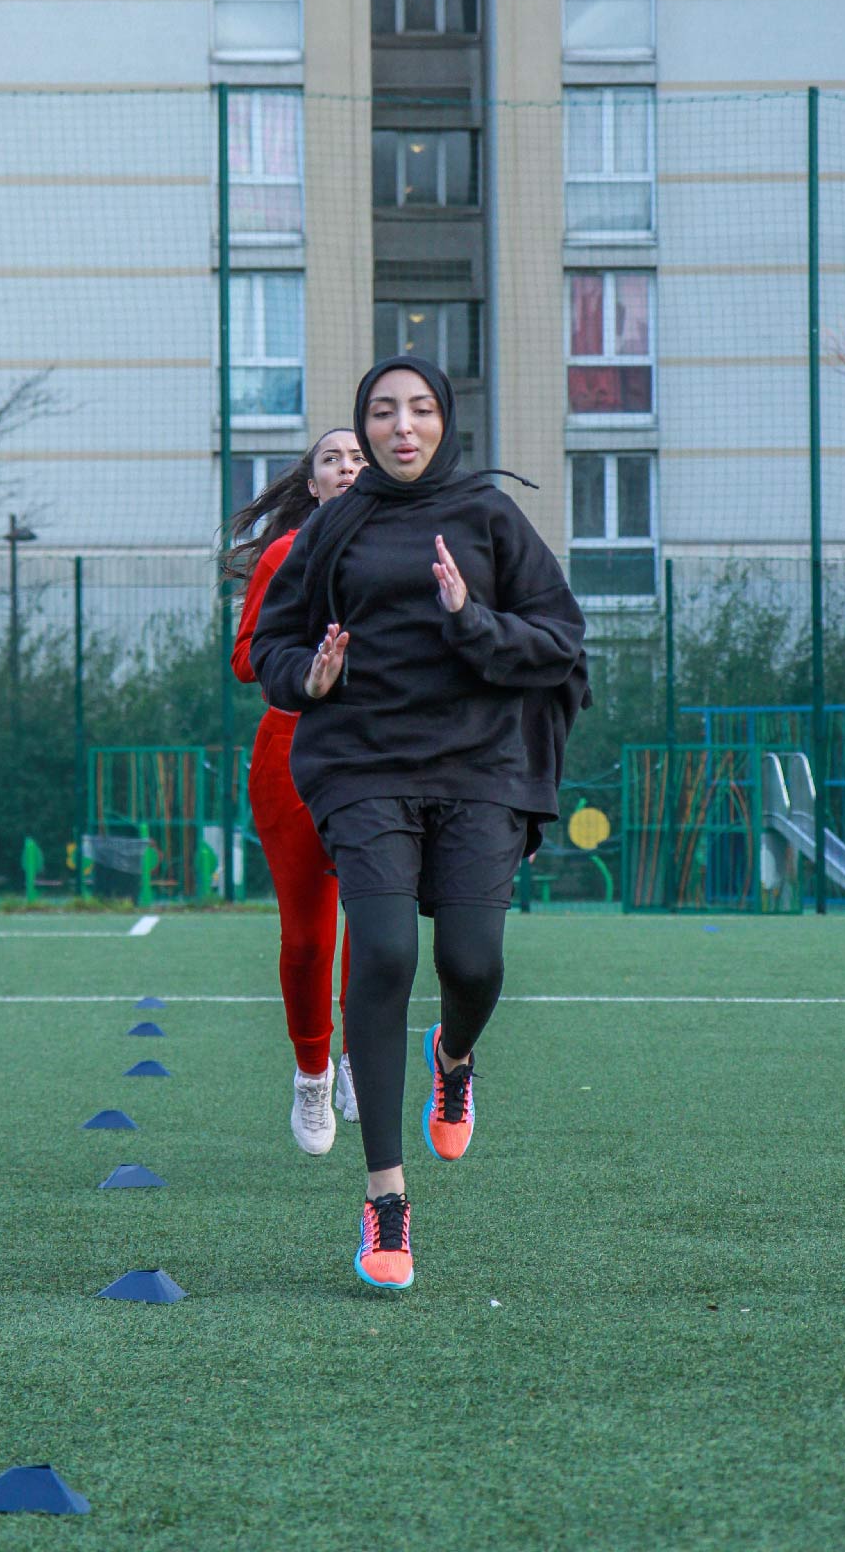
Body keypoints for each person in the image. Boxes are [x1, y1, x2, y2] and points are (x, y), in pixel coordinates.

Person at [251, 359, 589, 1290]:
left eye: (422, 409)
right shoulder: (333, 529)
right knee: (386, 954)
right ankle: (386, 1203)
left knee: (473, 963)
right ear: (365, 426)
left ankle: (455, 1053)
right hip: (363, 767)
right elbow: (272, 647)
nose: (404, 426)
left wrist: (471, 620)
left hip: (482, 765)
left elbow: (562, 639)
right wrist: (307, 679)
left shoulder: (487, 517)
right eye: (384, 412)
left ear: (446, 421)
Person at [228, 429, 368, 1155]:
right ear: (312, 484)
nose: (348, 466)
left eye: (360, 458)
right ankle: (312, 1072)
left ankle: (358, 1059)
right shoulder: (286, 556)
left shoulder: (408, 555)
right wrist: (309, 665)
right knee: (311, 938)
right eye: (332, 458)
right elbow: (245, 657)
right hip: (292, 751)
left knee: (379, 923)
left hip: (381, 755)